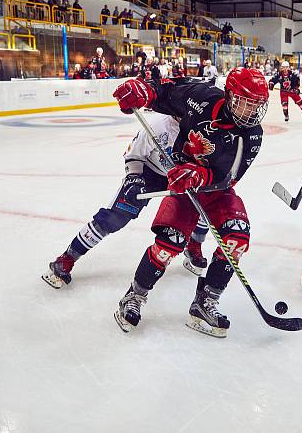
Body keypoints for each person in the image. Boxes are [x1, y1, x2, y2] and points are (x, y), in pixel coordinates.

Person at [110, 67, 269, 337]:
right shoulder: (201, 97)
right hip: (182, 187)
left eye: (256, 105)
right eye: (244, 102)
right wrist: (144, 92)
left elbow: (229, 178)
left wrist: (201, 174)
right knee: (167, 244)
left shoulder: (252, 134)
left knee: (237, 238)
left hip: (216, 191)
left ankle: (205, 302)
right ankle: (134, 296)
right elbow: (166, 92)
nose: (250, 112)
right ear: (230, 96)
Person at [42, 111, 210, 289]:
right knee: (115, 217)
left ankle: (193, 246)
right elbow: (133, 155)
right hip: (149, 173)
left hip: (185, 177)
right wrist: (134, 178)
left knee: (202, 209)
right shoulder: (158, 126)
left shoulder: (203, 130)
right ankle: (67, 257)